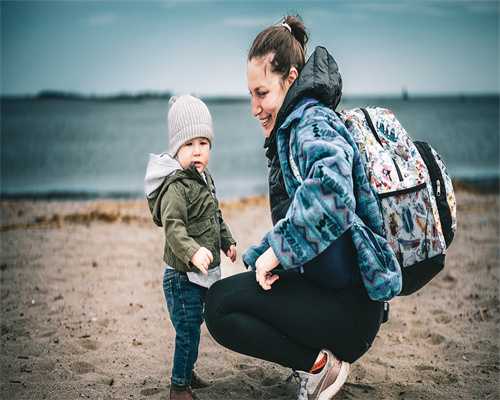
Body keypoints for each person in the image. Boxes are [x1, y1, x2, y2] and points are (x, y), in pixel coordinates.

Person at [204, 15, 401, 400]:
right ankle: (317, 363)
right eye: (250, 94)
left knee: (220, 308)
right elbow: (303, 217)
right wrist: (261, 256)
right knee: (226, 296)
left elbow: (333, 195)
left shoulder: (311, 122)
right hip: (337, 297)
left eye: (262, 93)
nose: (254, 107)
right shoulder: (297, 124)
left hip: (349, 311)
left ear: (290, 78)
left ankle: (321, 367)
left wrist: (277, 252)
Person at [144, 95, 237, 400]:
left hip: (201, 275)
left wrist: (227, 241)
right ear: (176, 149)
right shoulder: (176, 187)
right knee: (187, 331)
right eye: (189, 144)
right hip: (182, 276)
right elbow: (173, 228)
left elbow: (214, 215)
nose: (197, 150)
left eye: (203, 143)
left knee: (193, 328)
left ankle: (187, 372)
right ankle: (178, 387)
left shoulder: (205, 179)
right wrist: (193, 252)